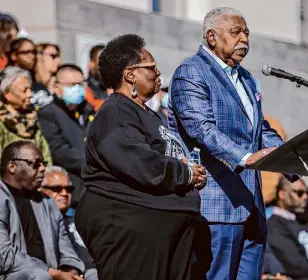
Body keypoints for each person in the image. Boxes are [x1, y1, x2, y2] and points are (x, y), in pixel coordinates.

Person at [168, 7, 289, 279]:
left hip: (252, 205)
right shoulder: (191, 72)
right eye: (236, 33)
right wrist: (245, 157)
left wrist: (294, 159)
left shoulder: (247, 79)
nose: (244, 40)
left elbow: (260, 129)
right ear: (212, 37)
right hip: (217, 203)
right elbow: (201, 128)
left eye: (246, 33)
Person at [75, 34, 207, 280]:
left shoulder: (149, 114)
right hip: (129, 229)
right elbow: (141, 164)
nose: (158, 73)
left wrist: (192, 173)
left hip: (165, 231)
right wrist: (186, 173)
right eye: (152, 68)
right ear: (130, 75)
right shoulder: (116, 111)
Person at [0, 141, 85, 280]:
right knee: (38, 276)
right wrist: (52, 273)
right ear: (12, 166)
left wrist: (71, 271)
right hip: (12, 275)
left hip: (50, 274)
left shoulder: (47, 201)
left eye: (43, 163)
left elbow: (66, 248)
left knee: (93, 274)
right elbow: (4, 255)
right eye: (36, 163)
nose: (43, 168)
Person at [37, 63, 94, 206]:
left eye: (81, 84)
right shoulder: (48, 113)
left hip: (94, 191)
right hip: (70, 192)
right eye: (71, 85)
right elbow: (59, 151)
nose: (77, 89)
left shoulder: (91, 111)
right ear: (57, 87)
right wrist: (95, 162)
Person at [41, 166, 98, 280]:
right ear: (40, 189)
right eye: (56, 189)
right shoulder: (40, 223)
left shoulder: (81, 218)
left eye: (69, 189)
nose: (64, 193)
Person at [0, 66, 52, 163]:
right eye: (24, 90)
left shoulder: (31, 118)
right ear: (7, 94)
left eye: (30, 89)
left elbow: (45, 155)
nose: (29, 94)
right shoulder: (2, 122)